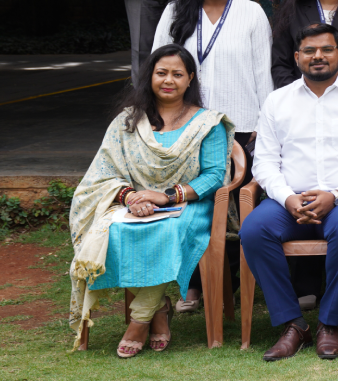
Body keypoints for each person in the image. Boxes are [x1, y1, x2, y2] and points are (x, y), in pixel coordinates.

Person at [240, 22, 338, 361]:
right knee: (253, 231)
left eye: (326, 49)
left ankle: (329, 323)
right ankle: (294, 325)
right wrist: (288, 198)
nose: (318, 56)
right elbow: (264, 162)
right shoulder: (277, 101)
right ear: (297, 57)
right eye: (309, 50)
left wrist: (335, 195)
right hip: (289, 200)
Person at [69, 46, 233, 355]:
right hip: (137, 205)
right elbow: (104, 172)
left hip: (191, 205)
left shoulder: (207, 123)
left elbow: (214, 175)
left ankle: (140, 319)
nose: (168, 80)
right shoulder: (128, 121)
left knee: (166, 232)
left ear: (190, 79)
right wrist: (132, 198)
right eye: (161, 73)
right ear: (150, 76)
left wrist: (167, 196)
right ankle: (159, 309)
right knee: (114, 232)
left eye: (177, 74)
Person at [153, 0, 272, 140]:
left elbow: (263, 73)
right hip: (182, 123)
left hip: (239, 122)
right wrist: (157, 114)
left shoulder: (252, 12)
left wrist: (263, 124)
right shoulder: (175, 11)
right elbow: (157, 68)